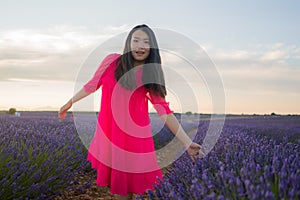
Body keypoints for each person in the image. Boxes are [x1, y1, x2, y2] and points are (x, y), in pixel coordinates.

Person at [58, 24, 201, 200]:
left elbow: (163, 110)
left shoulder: (150, 73)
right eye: (136, 40)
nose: (140, 46)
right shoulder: (111, 61)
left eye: (146, 42)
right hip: (110, 134)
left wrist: (187, 142)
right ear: (129, 42)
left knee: (126, 190)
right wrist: (69, 103)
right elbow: (91, 85)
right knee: (121, 188)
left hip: (134, 139)